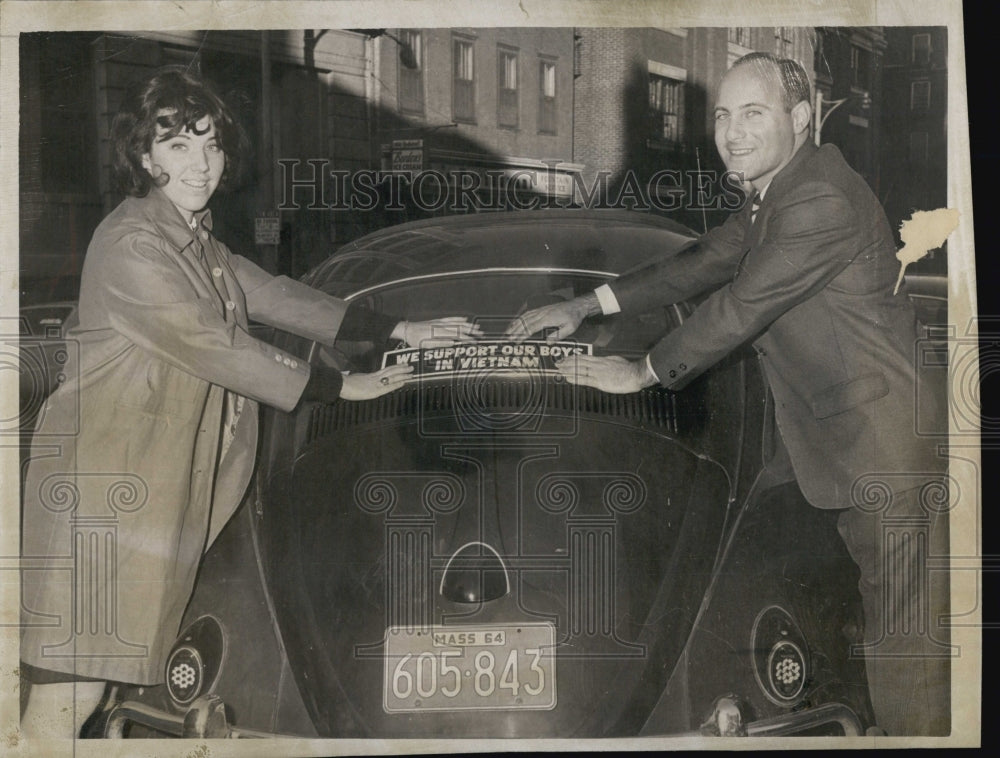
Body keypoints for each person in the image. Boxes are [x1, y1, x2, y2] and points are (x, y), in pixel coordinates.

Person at [19, 67, 480, 738]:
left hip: (138, 498)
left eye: (210, 145)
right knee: (59, 713)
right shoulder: (132, 245)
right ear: (146, 159)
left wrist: (396, 329)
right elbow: (214, 344)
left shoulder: (195, 239)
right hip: (101, 504)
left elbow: (273, 295)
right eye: (178, 147)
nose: (200, 164)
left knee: (96, 694)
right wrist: (337, 385)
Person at [505, 52, 949, 736]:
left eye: (753, 114)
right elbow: (707, 259)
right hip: (831, 437)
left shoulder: (818, 198)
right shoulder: (778, 191)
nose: (731, 133)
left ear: (801, 120)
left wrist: (643, 371)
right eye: (721, 115)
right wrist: (590, 304)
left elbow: (741, 304)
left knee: (904, 642)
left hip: (883, 447)